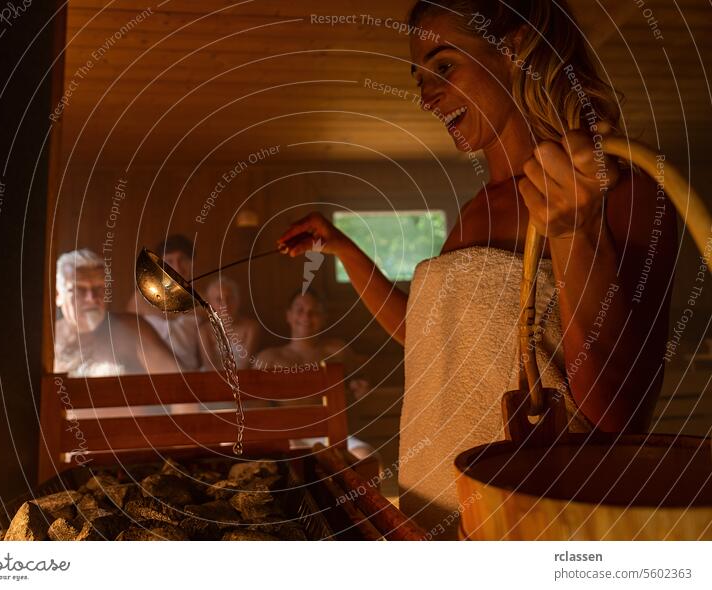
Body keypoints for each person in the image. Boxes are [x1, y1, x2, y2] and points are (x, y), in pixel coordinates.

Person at [277, 0, 677, 538]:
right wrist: (344, 249)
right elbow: (434, 342)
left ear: (512, 49)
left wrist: (572, 234)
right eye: (419, 78)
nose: (426, 95)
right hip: (430, 512)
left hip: (528, 523)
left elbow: (616, 415)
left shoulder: (621, 191)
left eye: (444, 66)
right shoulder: (474, 213)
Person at [255, 289, 374, 460]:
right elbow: (256, 408)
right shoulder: (269, 358)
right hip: (287, 435)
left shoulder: (337, 351)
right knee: (297, 459)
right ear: (288, 316)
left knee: (367, 456)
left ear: (324, 318)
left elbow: (359, 380)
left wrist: (360, 388)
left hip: (329, 434)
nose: (306, 316)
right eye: (300, 310)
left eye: (314, 312)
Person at [55, 249, 178, 376]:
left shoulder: (132, 330)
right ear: (58, 295)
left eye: (99, 288)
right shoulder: (50, 341)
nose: (91, 298)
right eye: (79, 289)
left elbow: (178, 382)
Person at [127, 234, 202, 371]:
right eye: (170, 261)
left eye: (182, 259)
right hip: (150, 374)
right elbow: (128, 339)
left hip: (190, 375)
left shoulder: (203, 301)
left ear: (192, 263)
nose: (177, 267)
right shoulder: (140, 299)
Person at [198, 275, 260, 371]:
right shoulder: (204, 330)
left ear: (238, 300)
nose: (225, 304)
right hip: (213, 376)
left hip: (242, 377)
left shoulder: (251, 327)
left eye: (230, 298)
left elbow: (246, 363)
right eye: (218, 300)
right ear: (210, 304)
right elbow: (209, 365)